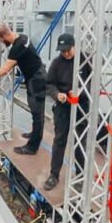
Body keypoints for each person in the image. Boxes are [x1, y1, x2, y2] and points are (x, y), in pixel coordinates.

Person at [0, 24, 47, 155]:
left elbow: (5, 69)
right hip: (37, 76)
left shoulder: (17, 47)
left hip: (36, 79)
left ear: (4, 36)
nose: (2, 43)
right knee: (35, 111)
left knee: (37, 113)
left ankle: (32, 147)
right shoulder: (23, 38)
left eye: (0, 40)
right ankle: (35, 133)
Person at [43, 33, 92, 190]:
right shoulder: (57, 63)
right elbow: (49, 84)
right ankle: (54, 175)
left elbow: (94, 84)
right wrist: (57, 94)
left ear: (74, 46)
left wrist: (80, 93)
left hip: (82, 108)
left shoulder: (87, 60)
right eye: (62, 51)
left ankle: (81, 175)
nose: (65, 53)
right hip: (63, 108)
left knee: (80, 142)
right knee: (59, 140)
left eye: (67, 50)